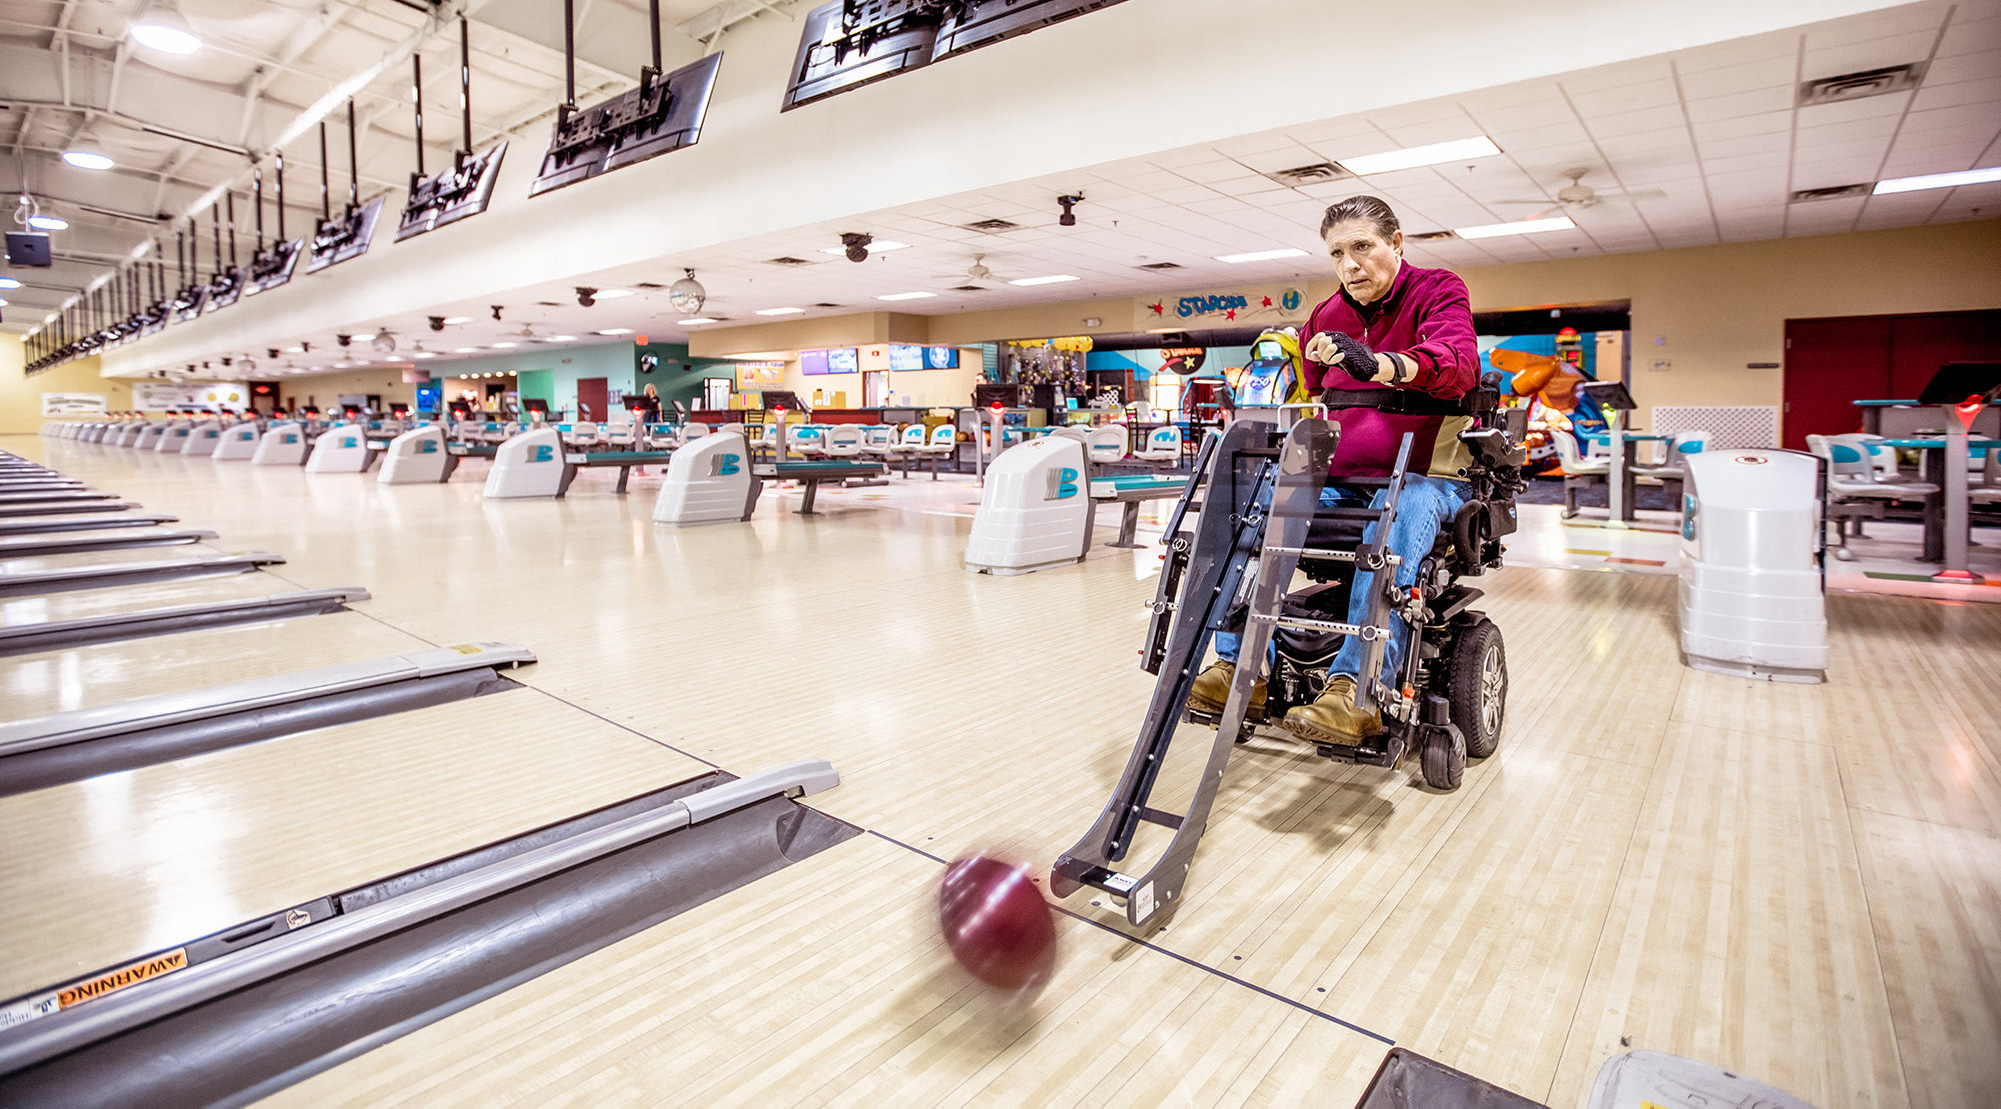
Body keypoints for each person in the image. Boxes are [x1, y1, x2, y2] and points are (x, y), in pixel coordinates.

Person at [1190, 194, 1479, 746]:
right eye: (1337, 253)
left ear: (1396, 244)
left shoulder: (1438, 290)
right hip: (1341, 484)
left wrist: (1383, 365)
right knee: (1252, 505)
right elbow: (1321, 400)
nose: (1350, 264)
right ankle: (1240, 668)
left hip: (1426, 481)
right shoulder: (1325, 317)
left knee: (1404, 506)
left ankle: (1357, 690)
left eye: (1363, 247)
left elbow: (1458, 366)